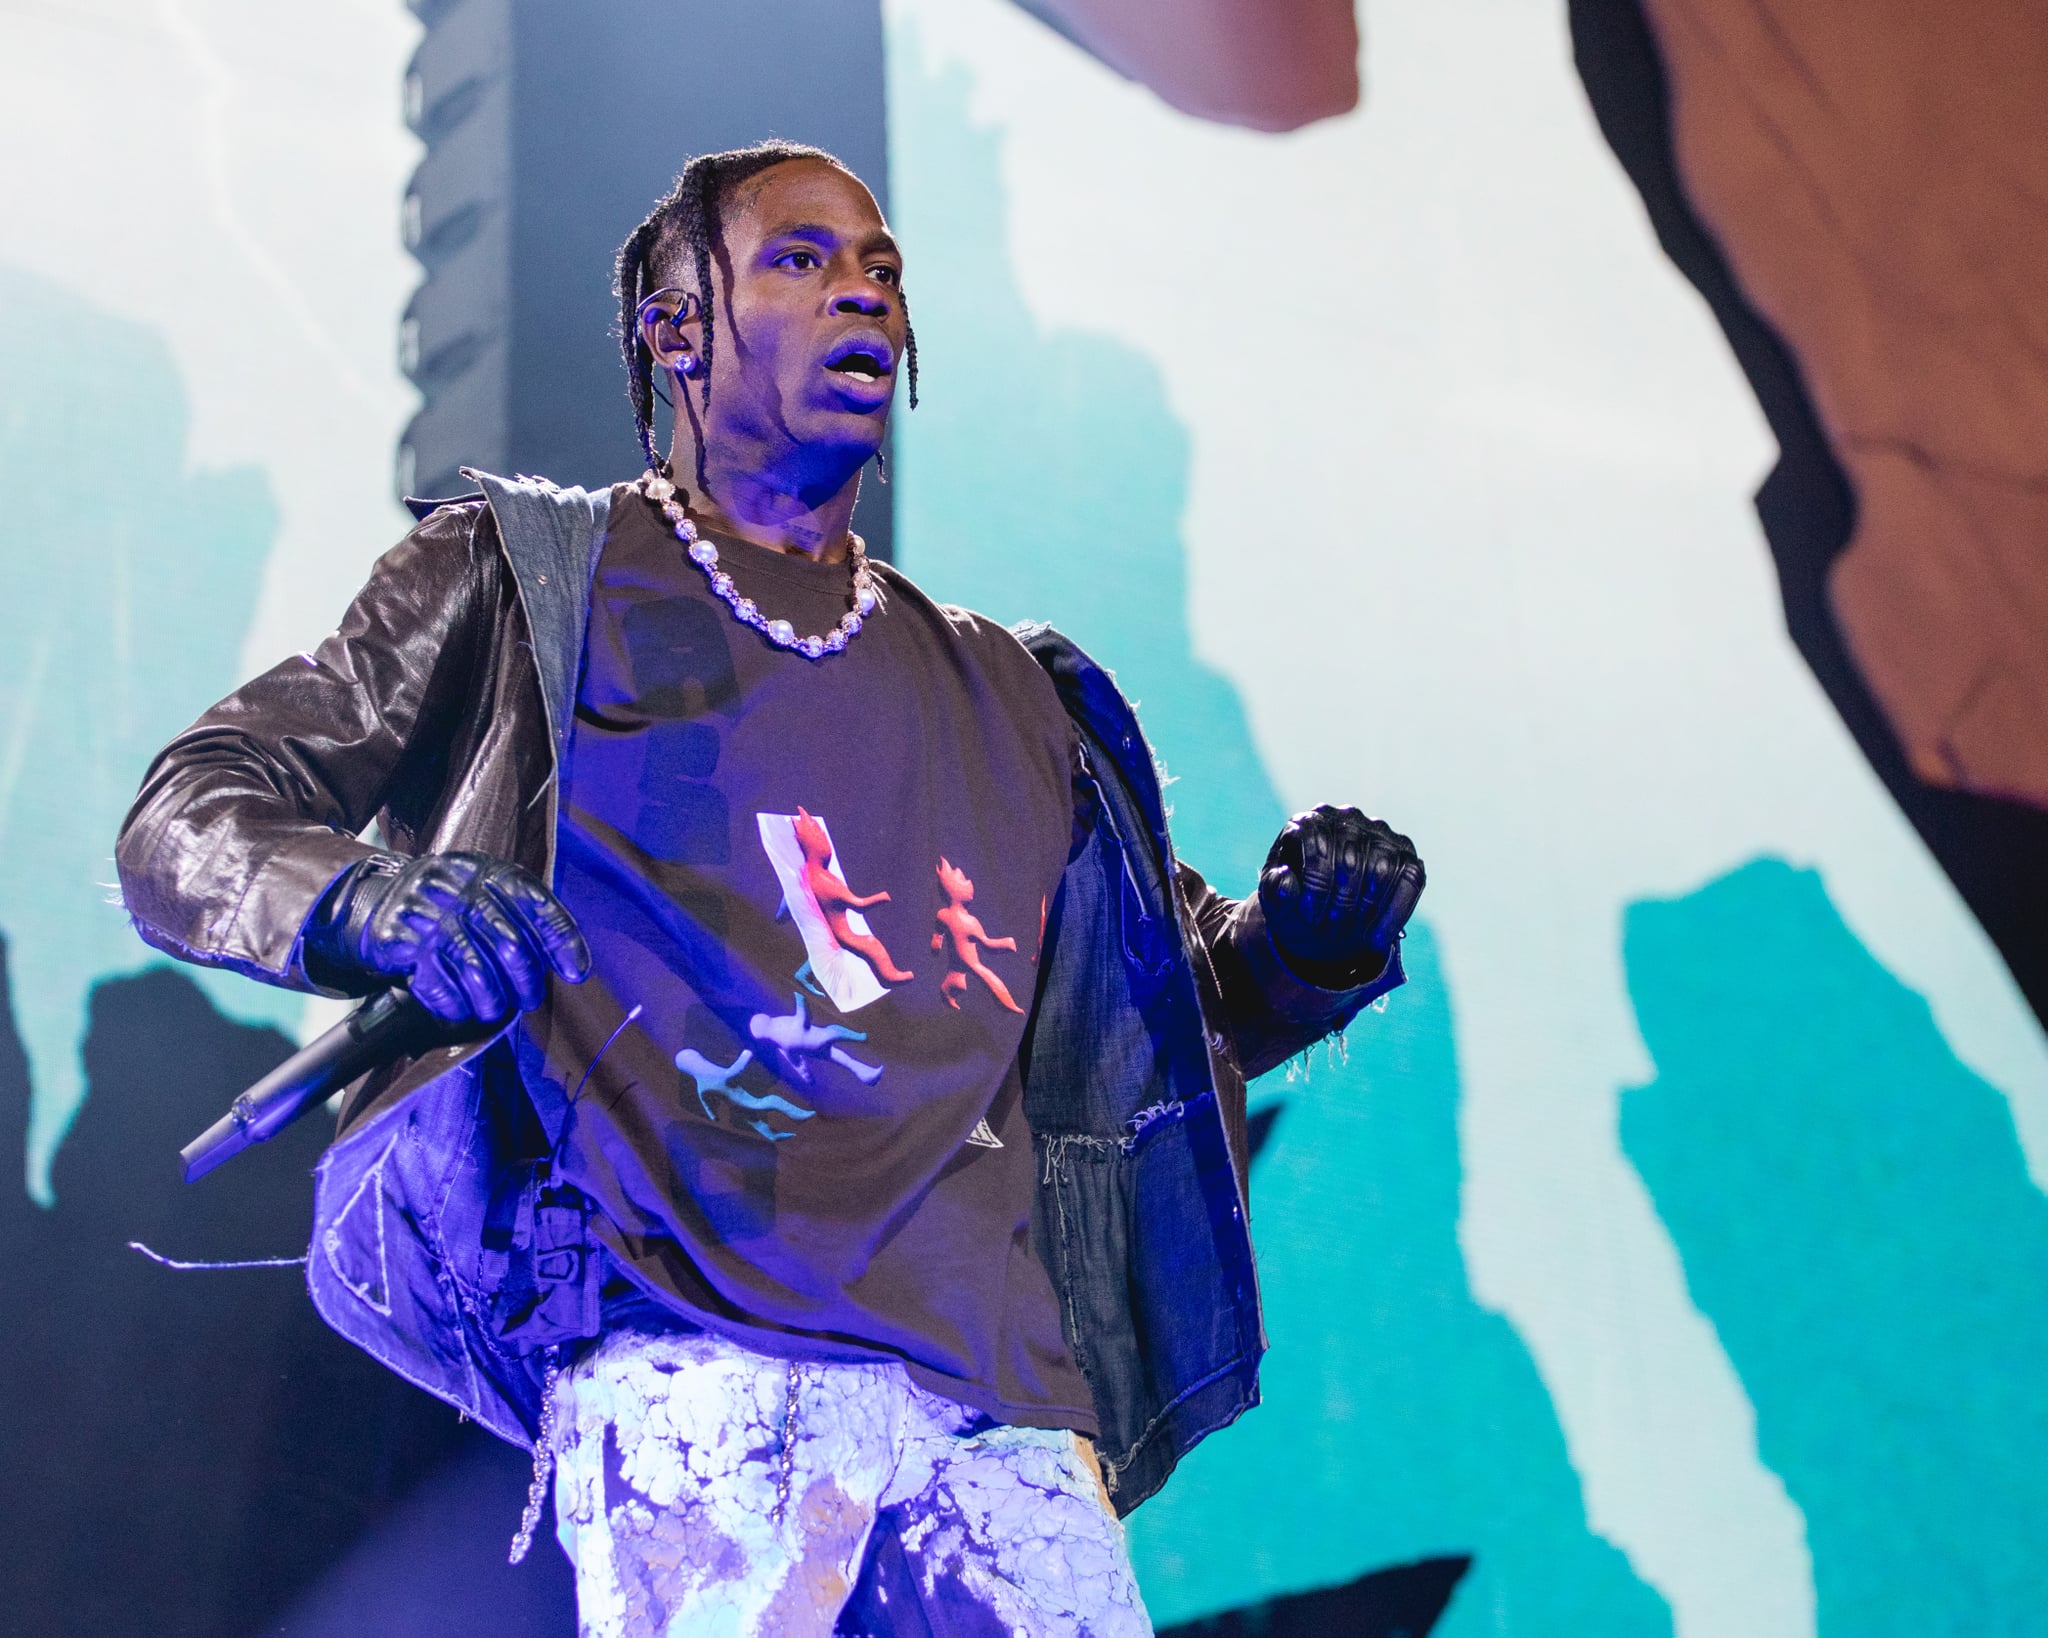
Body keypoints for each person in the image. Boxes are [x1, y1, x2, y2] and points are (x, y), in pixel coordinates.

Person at [116, 142, 1424, 1638]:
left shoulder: (1014, 692)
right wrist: (369, 902)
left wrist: (1309, 949)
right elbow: (190, 815)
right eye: (802, 259)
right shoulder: (523, 576)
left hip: (999, 1404)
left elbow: (1172, 1018)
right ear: (674, 329)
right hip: (694, 1364)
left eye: (882, 268)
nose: (861, 289)